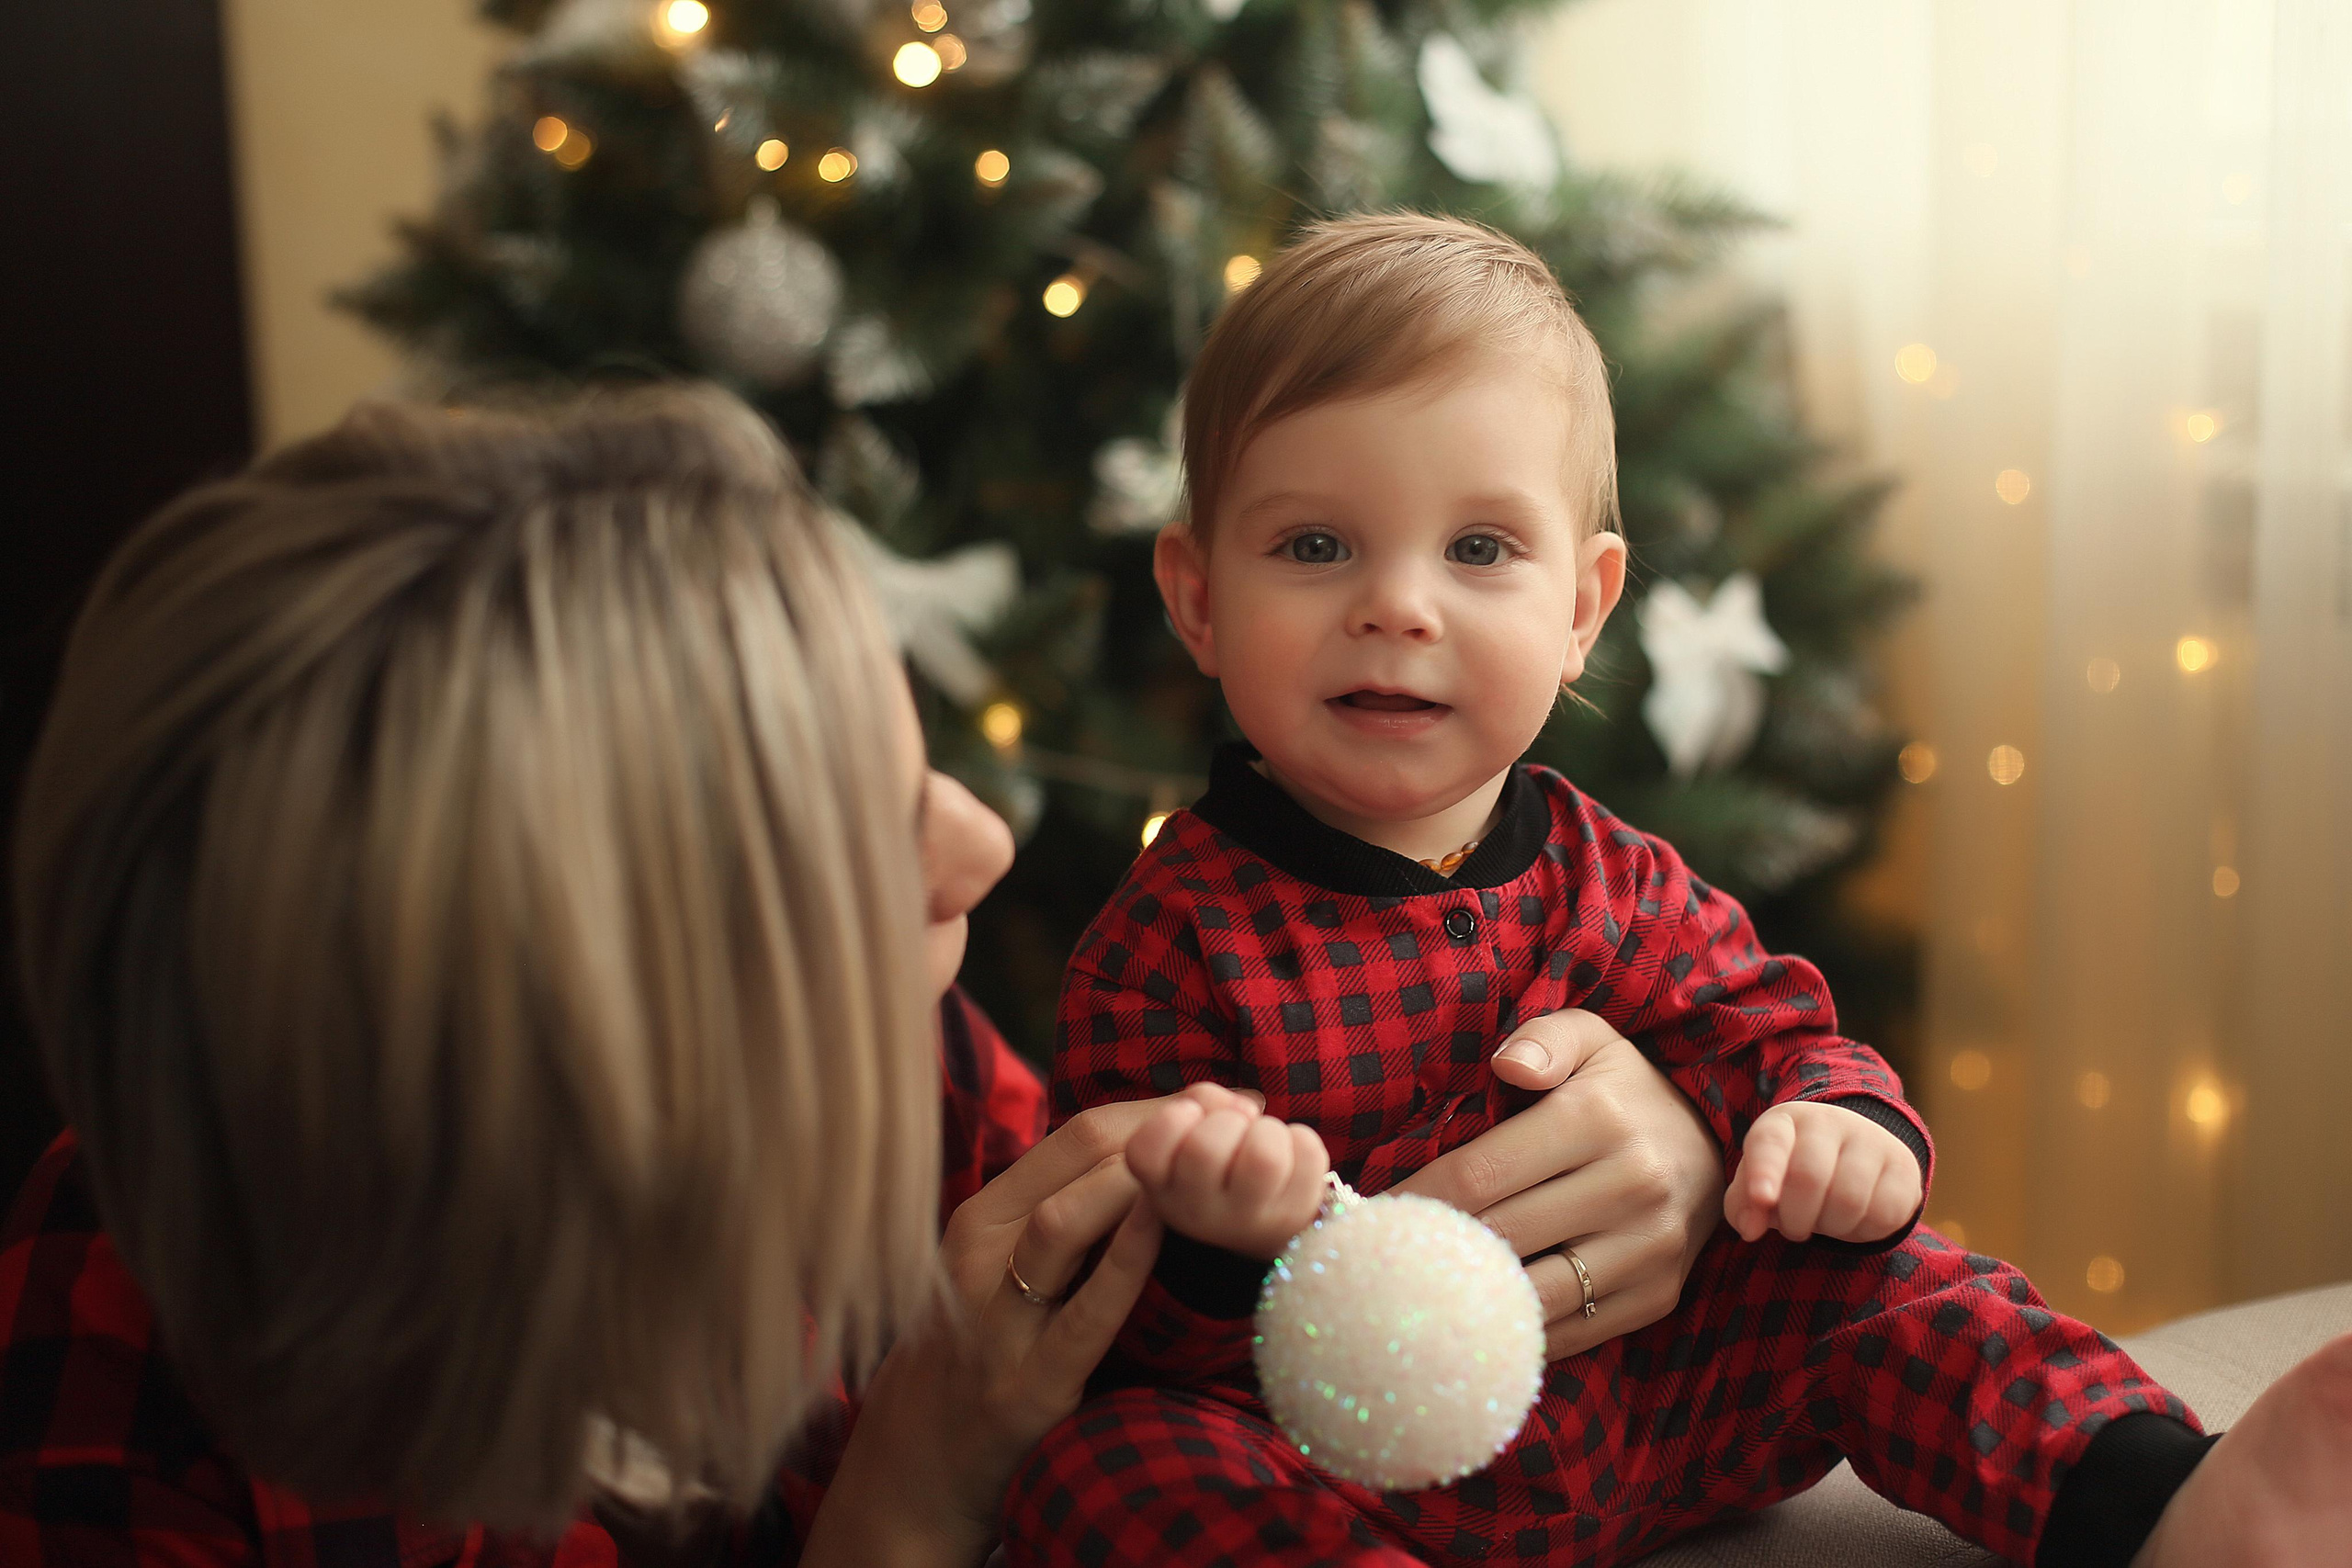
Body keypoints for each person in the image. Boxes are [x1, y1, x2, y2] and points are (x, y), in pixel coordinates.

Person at [0, 386, 1740, 1565]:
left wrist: (1671, 1125)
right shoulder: (132, 1388)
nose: (975, 844)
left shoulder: (914, 1065)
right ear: (573, 1030)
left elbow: (1249, 1349)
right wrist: (909, 1497)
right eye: (834, 836)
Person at [1007, 214, 2352, 1568]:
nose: (1398, 606)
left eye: (1480, 549)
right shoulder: (1168, 941)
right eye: (1314, 548)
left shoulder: (1618, 877)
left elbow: (1773, 1032)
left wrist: (1837, 1125)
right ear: (1198, 598)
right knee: (1108, 1464)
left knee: (1894, 1281)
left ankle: (2160, 1503)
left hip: (1662, 1410)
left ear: (1583, 609)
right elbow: (1117, 1315)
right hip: (1353, 1454)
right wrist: (1219, 1240)